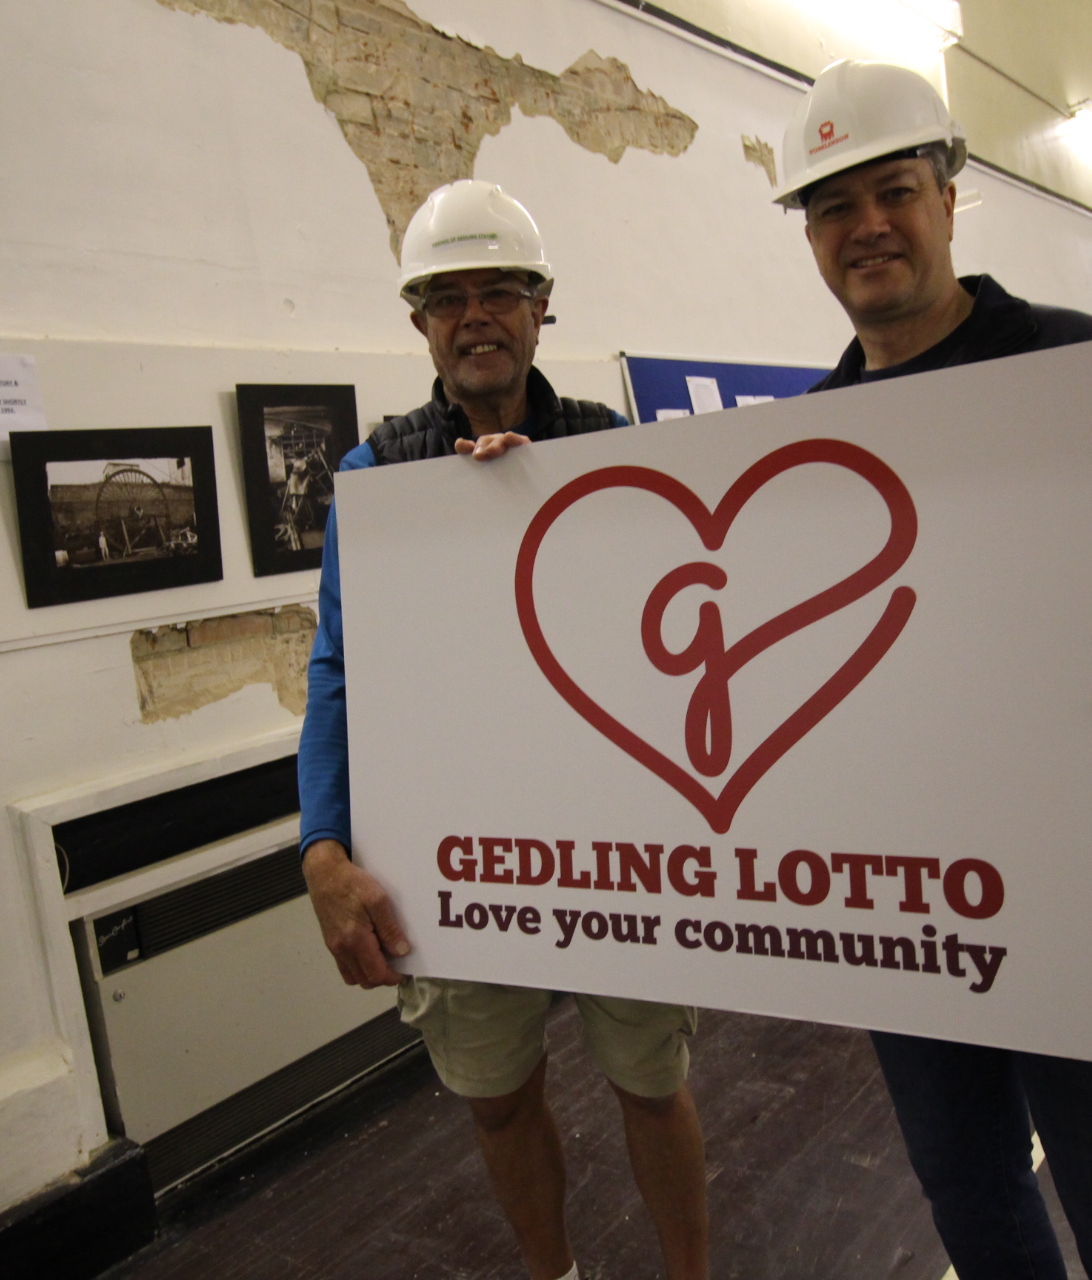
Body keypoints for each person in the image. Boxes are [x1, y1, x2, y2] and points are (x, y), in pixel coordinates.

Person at [770, 61, 1092, 1279]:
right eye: (834, 207)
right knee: (969, 1190)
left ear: (949, 192)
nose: (867, 225)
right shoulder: (808, 441)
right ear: (810, 236)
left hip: (1061, 860)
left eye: (894, 189)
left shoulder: (1083, 367)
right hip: (889, 878)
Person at [297, 180, 710, 1280]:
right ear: (420, 322)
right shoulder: (378, 475)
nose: (476, 315)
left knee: (651, 1080)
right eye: (448, 297)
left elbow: (660, 643)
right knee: (496, 1097)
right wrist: (322, 845)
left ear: (540, 310)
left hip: (610, 839)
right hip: (458, 849)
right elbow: (341, 667)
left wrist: (536, 508)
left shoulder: (609, 450)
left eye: (501, 292)